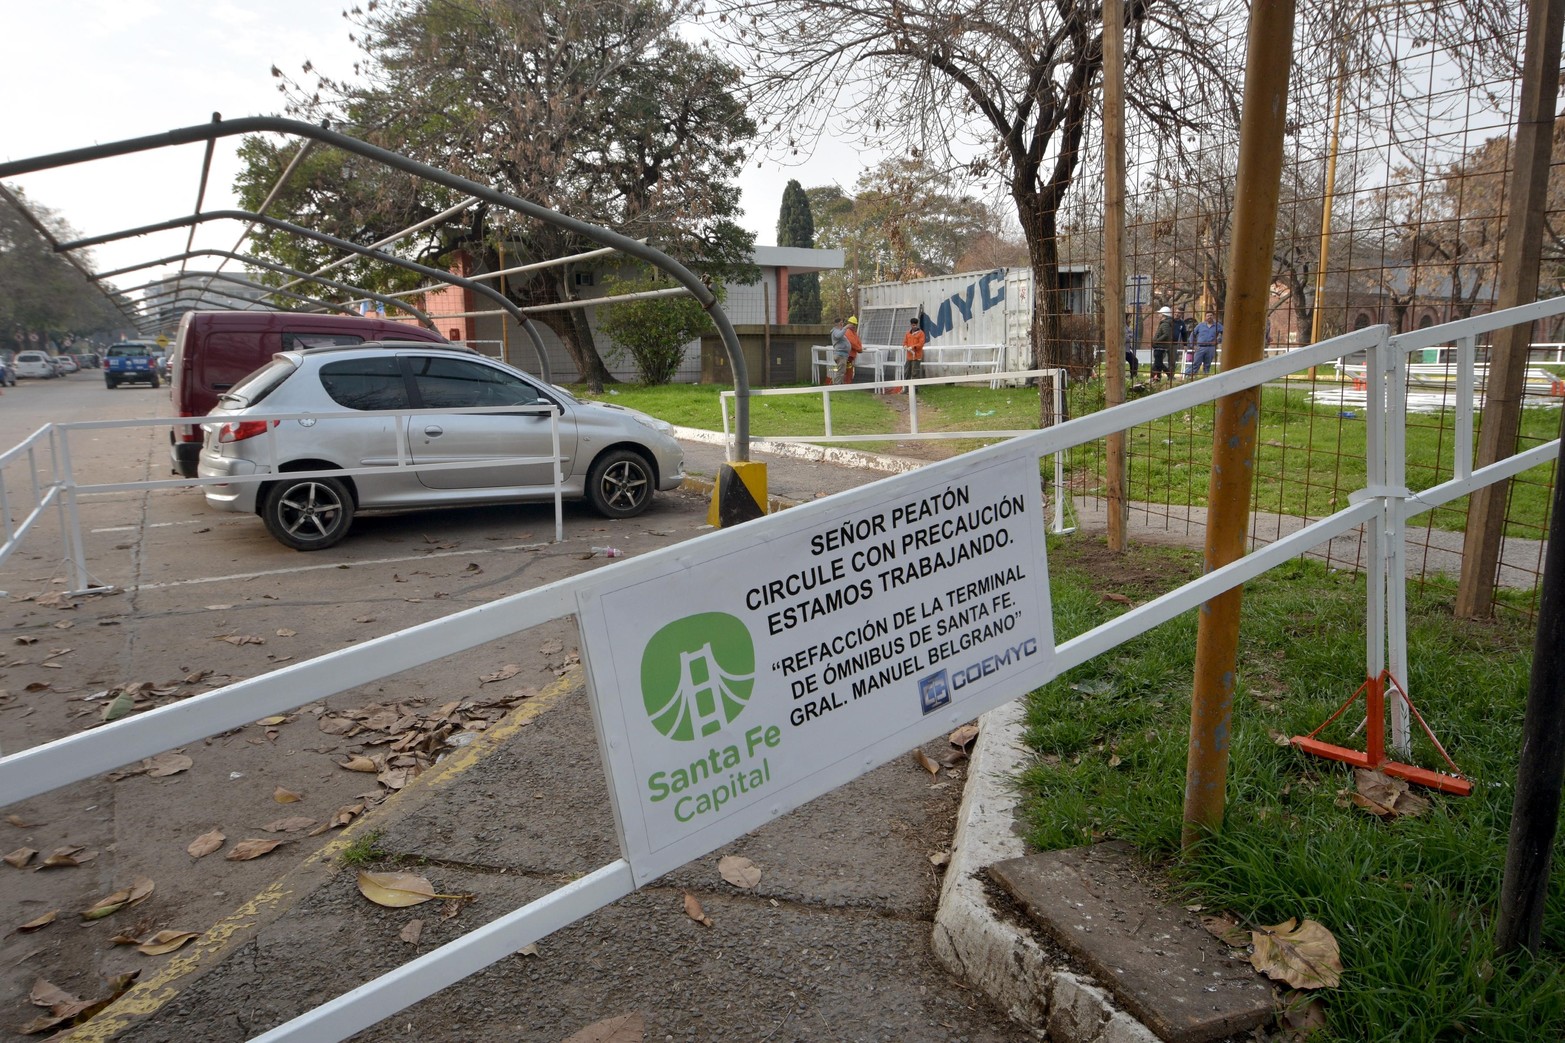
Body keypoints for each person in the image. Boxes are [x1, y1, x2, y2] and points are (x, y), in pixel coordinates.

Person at [1187, 309, 1223, 378]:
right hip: (1200, 347)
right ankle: (1190, 378)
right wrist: (1193, 345)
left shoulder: (1217, 325)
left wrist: (1218, 340)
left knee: (1207, 365)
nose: (1209, 317)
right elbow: (1192, 334)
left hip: (1210, 348)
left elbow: (1224, 332)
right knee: (1196, 364)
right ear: (1205, 317)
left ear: (1213, 316)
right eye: (1208, 316)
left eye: (1211, 315)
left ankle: (1205, 378)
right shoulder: (1200, 325)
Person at [1150, 306, 1178, 384]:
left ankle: (1170, 375)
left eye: (1160, 314)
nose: (1158, 315)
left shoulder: (1165, 324)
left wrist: (1156, 341)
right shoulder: (1166, 323)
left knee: (1158, 363)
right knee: (1157, 364)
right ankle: (1156, 378)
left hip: (1160, 347)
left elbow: (1166, 334)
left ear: (1163, 315)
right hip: (1160, 346)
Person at [902, 316, 926, 387]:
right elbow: (905, 342)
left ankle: (915, 389)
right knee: (907, 373)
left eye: (915, 325)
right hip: (909, 357)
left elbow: (921, 344)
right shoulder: (907, 333)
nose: (914, 326)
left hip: (916, 356)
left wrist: (912, 347)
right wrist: (905, 346)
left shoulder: (921, 333)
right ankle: (906, 389)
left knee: (915, 373)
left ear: (917, 324)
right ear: (911, 324)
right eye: (913, 325)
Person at [842, 315, 863, 384]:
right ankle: (846, 384)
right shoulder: (848, 332)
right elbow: (853, 343)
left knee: (849, 371)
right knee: (847, 371)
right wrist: (859, 349)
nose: (854, 326)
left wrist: (859, 348)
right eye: (853, 324)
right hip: (848, 356)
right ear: (849, 323)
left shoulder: (853, 333)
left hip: (850, 356)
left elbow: (858, 342)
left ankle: (847, 384)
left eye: (855, 324)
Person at [829, 318, 850, 384]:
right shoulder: (836, 331)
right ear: (839, 323)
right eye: (842, 323)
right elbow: (838, 336)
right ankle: (836, 386)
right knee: (840, 371)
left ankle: (840, 385)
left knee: (841, 371)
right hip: (840, 355)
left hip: (843, 355)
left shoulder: (839, 331)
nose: (842, 324)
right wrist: (845, 328)